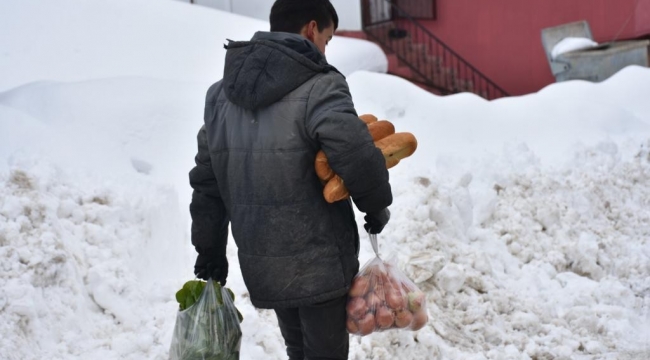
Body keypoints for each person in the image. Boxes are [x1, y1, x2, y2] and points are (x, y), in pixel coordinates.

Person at [188, 0, 392, 358]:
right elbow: (356, 154)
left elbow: (208, 182)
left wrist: (210, 252)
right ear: (311, 29)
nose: (325, 50)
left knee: (298, 349)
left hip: (264, 262)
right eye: (327, 39)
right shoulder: (321, 86)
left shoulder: (220, 97)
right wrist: (376, 207)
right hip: (321, 262)